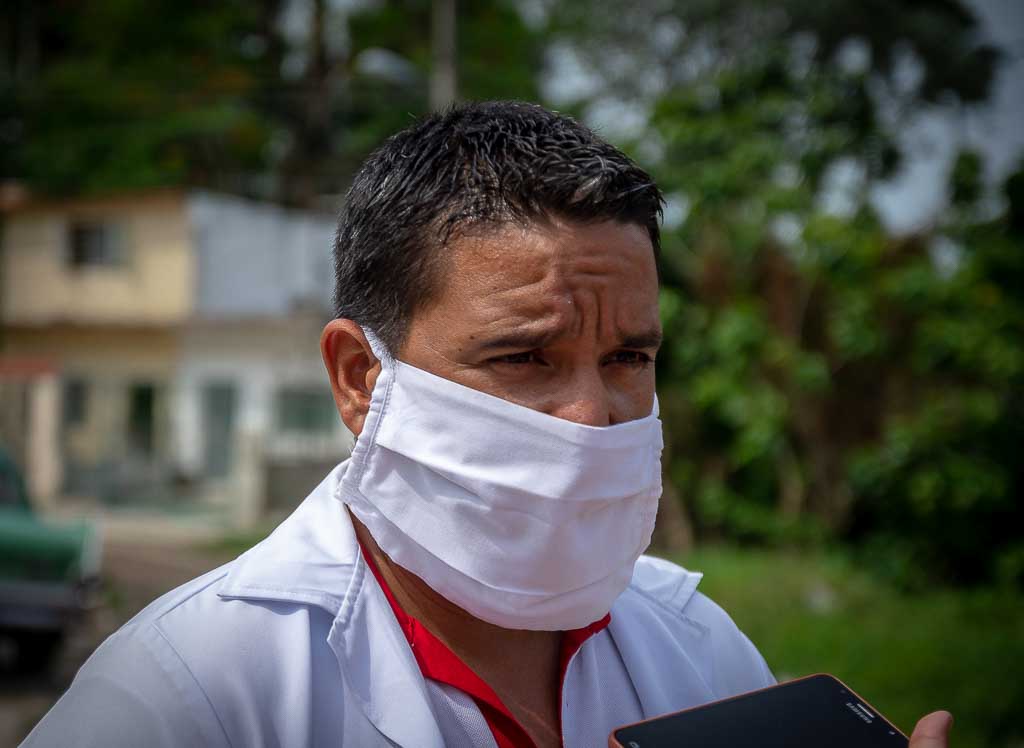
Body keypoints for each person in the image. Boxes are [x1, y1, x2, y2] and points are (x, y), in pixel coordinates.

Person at [21, 101, 952, 747]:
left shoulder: (696, 646)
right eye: (523, 357)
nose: (594, 416)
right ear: (357, 377)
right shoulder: (187, 694)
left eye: (630, 357)